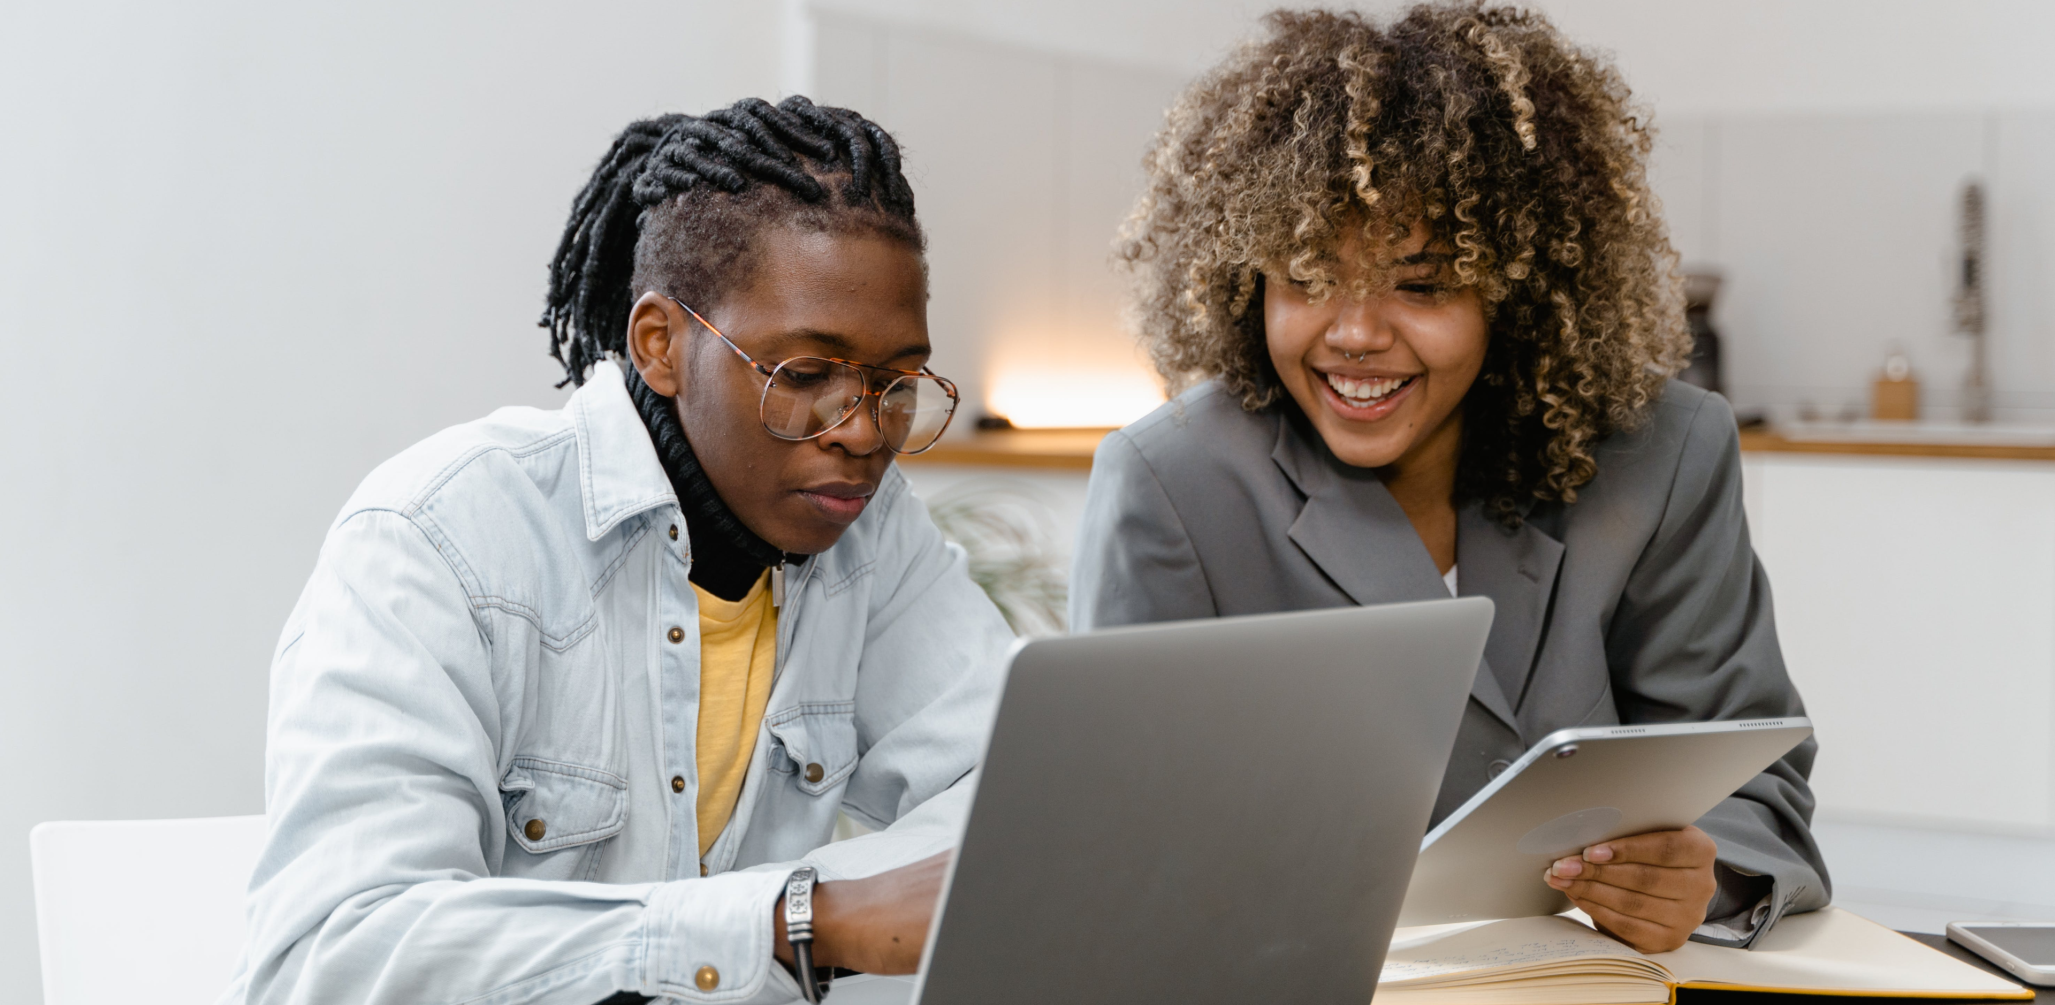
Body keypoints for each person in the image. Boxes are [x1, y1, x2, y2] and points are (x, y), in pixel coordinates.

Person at [1071, 4, 1827, 954]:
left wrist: (1699, 874)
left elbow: (1755, 781)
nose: (1354, 333)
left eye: (1420, 284)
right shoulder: (1171, 485)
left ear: (1516, 289)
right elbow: (1119, 840)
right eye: (1306, 275)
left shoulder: (1663, 455)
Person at [223, 97, 1013, 1005]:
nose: (863, 431)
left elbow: (1011, 795)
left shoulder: (870, 534)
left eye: (896, 384)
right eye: (804, 375)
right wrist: (791, 921)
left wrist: (805, 916)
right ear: (660, 344)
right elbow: (331, 957)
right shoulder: (438, 536)